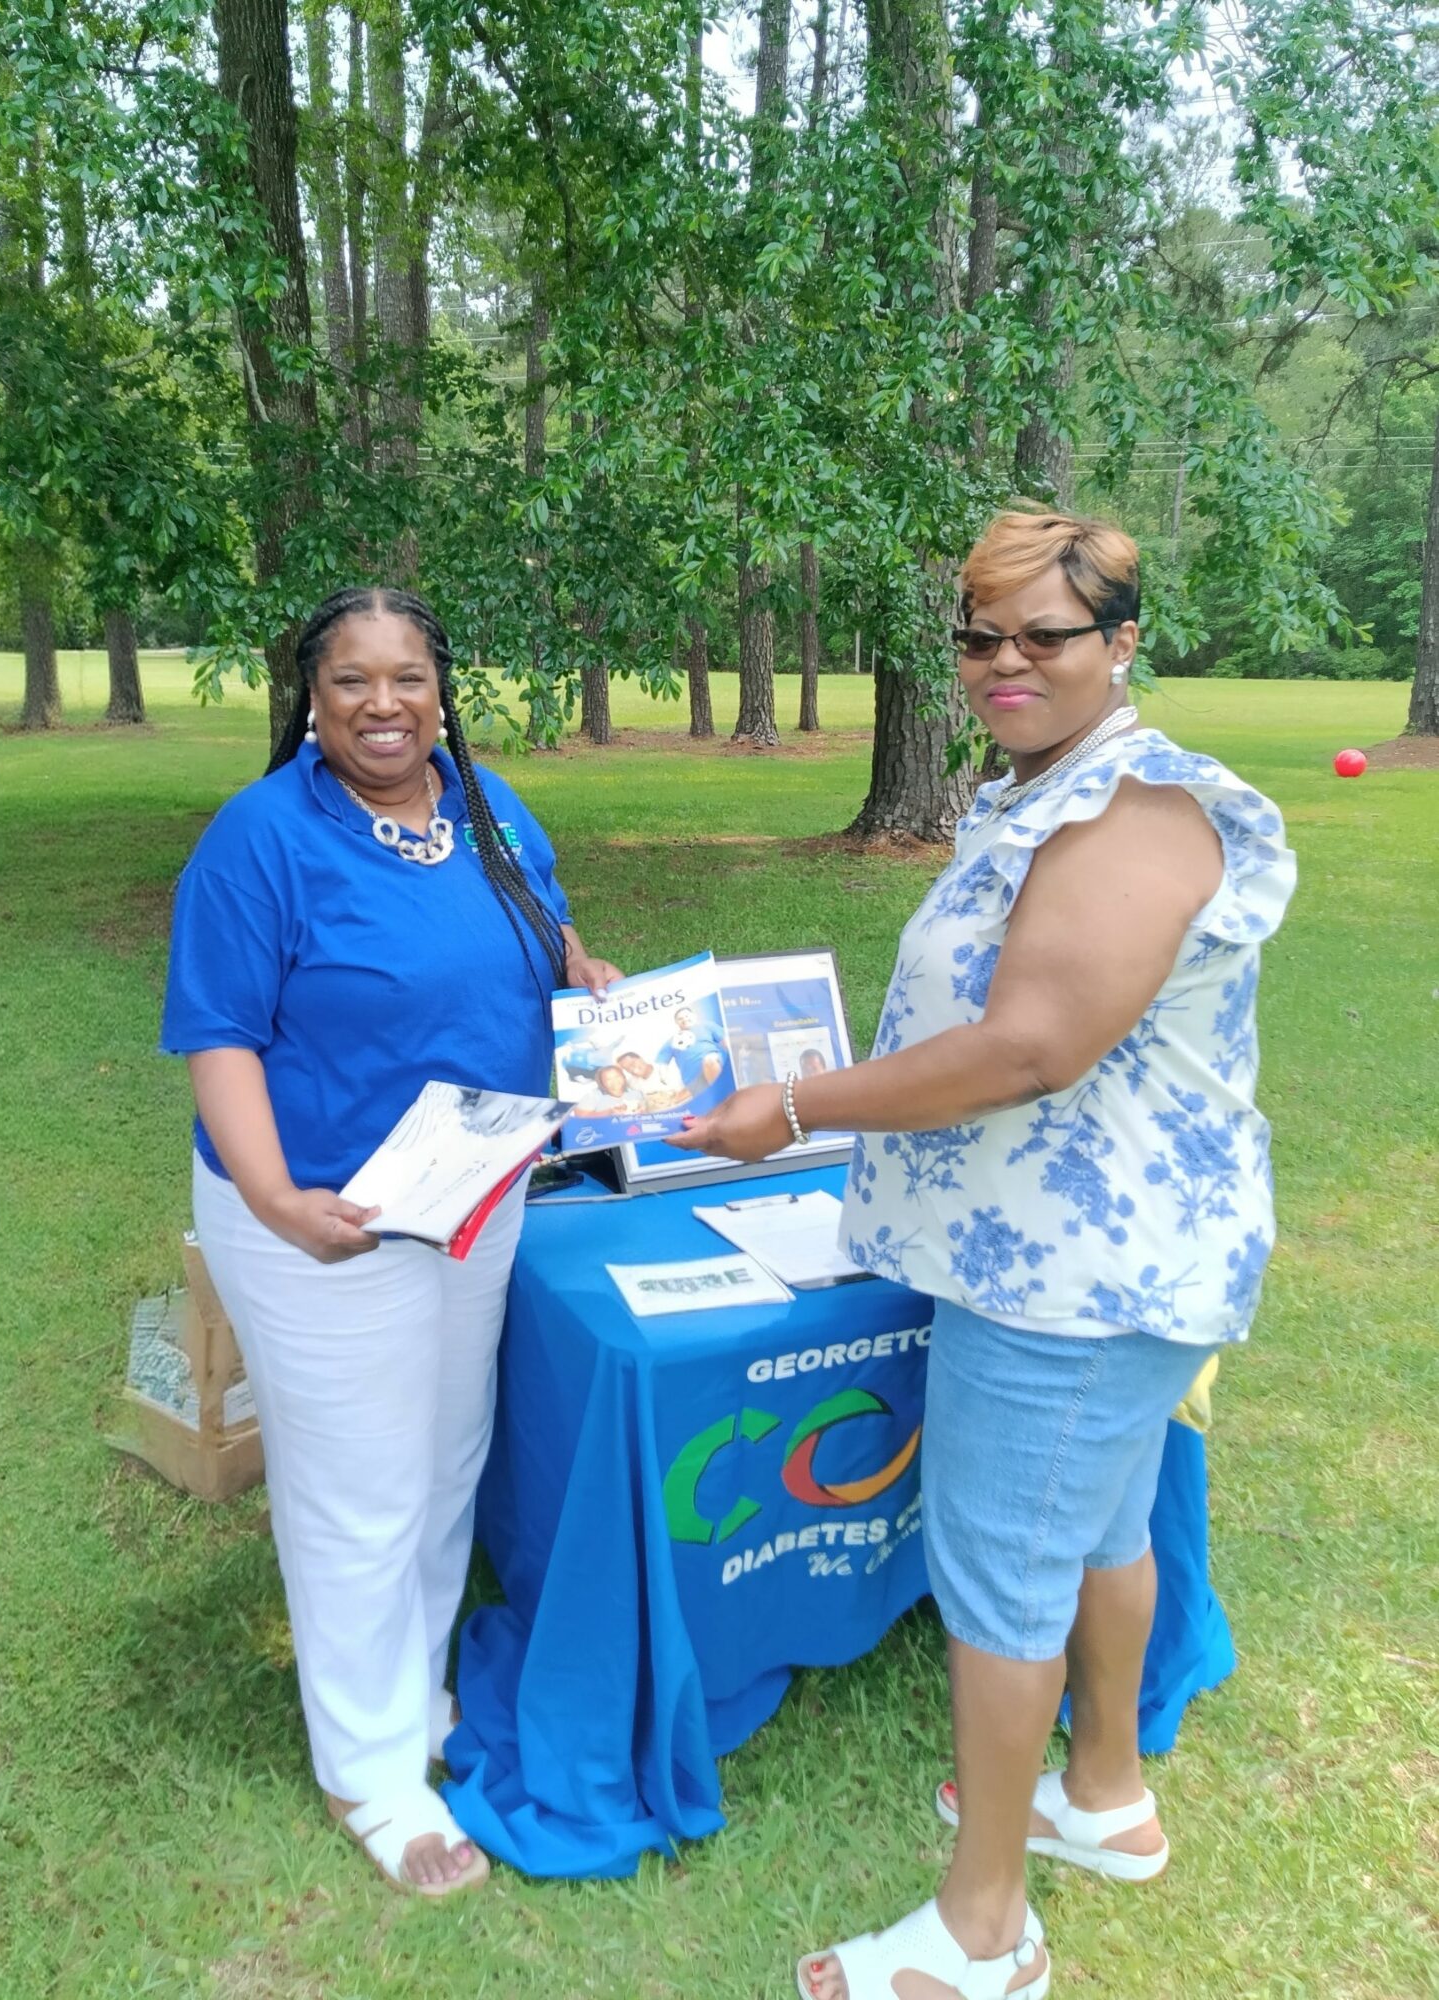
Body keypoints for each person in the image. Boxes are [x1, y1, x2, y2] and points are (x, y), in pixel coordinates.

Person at [671, 510, 1295, 2000]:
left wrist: (795, 1109)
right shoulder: (1042, 788)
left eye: (1046, 635)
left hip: (1076, 1283)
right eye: (978, 635)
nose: (1004, 661)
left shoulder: (1140, 811)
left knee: (1007, 1574)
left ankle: (983, 1930)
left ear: (1123, 643)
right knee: (1102, 1531)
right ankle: (1103, 1799)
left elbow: (1029, 1048)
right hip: (1083, 1258)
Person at [161, 587, 622, 1900]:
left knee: (441, 1463)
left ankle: (412, 1702)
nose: (382, 705)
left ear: (441, 689)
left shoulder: (484, 802)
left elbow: (544, 928)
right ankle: (366, 1769)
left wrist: (584, 979)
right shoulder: (261, 839)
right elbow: (219, 1035)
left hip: (476, 1188)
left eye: (406, 679)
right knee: (358, 1492)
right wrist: (272, 1199)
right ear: (310, 694)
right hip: (327, 1216)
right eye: (351, 680)